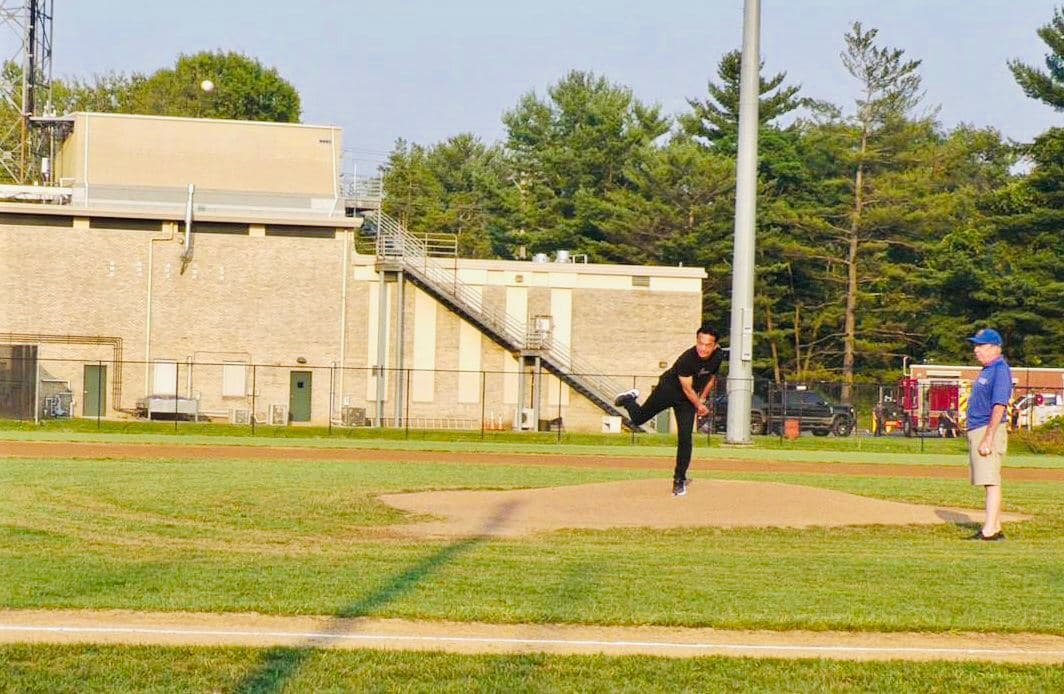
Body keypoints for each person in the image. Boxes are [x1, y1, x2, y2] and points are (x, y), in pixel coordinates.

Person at [614, 324, 723, 497]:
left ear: (715, 345)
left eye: (707, 344)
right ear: (696, 341)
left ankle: (679, 480)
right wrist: (700, 406)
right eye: (700, 343)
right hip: (668, 390)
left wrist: (702, 399)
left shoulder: (718, 355)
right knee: (638, 419)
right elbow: (687, 389)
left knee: (685, 439)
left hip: (688, 401)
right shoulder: (687, 359)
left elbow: (711, 378)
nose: (702, 348)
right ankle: (629, 400)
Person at [964, 327, 1013, 541]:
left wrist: (988, 437)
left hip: (988, 430)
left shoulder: (1000, 370)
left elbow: (999, 405)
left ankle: (989, 531)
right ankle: (996, 526)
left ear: (995, 347)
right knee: (989, 480)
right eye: (975, 345)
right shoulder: (988, 369)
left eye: (980, 345)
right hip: (980, 429)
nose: (976, 350)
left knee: (991, 481)